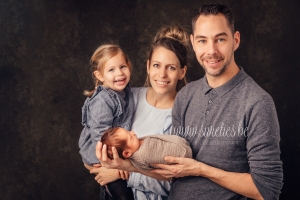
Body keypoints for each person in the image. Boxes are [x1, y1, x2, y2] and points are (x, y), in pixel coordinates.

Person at [148, 3, 283, 200]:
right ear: (193, 43)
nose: (211, 51)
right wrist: (123, 166)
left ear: (235, 40)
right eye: (202, 41)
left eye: (220, 39)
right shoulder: (185, 95)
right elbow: (174, 169)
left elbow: (267, 190)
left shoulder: (257, 103)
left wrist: (202, 170)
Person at [90, 25, 189, 200]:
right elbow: (100, 141)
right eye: (157, 65)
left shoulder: (183, 115)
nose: (162, 74)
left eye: (171, 68)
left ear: (182, 72)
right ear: (148, 66)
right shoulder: (125, 99)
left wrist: (122, 173)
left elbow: (177, 181)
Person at [78, 44, 135, 199]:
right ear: (100, 75)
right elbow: (100, 135)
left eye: (122, 66)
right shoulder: (103, 100)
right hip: (102, 152)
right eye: (111, 70)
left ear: (128, 66)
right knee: (122, 194)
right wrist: (110, 163)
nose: (120, 73)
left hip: (115, 150)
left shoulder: (125, 91)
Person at [101, 127, 192, 171]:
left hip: (182, 143)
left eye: (129, 131)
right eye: (130, 137)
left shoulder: (136, 145)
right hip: (185, 152)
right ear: (127, 153)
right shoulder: (144, 155)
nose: (133, 132)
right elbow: (166, 152)